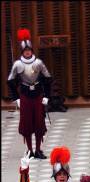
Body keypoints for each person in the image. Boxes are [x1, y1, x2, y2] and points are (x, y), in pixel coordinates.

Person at [7, 28, 52, 159]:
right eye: (25, 51)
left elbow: (48, 79)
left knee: (39, 122)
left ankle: (38, 149)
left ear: (32, 50)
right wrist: (16, 98)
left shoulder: (38, 63)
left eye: (29, 50)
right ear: (22, 52)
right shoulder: (17, 64)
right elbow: (10, 81)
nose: (27, 52)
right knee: (26, 123)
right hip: (25, 96)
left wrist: (46, 96)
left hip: (37, 95)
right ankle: (30, 150)